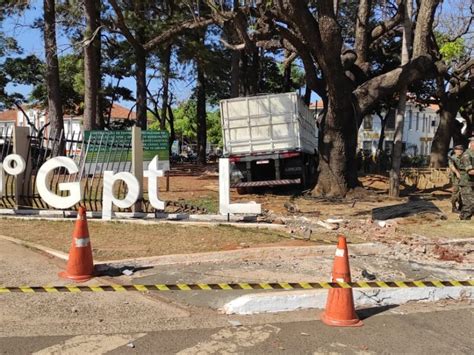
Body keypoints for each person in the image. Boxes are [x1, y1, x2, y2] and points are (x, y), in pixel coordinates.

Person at [459, 137, 474, 220]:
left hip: (472, 182)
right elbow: (470, 171)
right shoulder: (466, 155)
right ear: (472, 144)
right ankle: (464, 219)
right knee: (469, 203)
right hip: (466, 182)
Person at [448, 145, 464, 212]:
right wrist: (457, 173)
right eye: (458, 150)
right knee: (455, 192)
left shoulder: (464, 157)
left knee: (462, 192)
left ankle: (461, 206)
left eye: (461, 150)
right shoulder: (452, 158)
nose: (460, 151)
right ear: (455, 151)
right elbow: (452, 166)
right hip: (455, 178)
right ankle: (454, 207)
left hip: (463, 177)